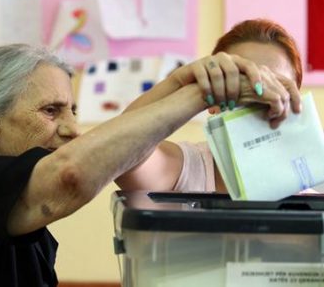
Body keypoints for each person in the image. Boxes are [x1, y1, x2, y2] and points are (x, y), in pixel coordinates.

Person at [0, 19, 301, 287]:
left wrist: (177, 82)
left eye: (74, 109)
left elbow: (110, 145)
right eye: (51, 110)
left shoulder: (28, 232)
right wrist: (199, 92)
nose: (74, 128)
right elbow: (73, 174)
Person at [116, 18, 303, 193]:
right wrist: (179, 82)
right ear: (212, 102)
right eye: (242, 84)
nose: (260, 100)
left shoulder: (315, 203)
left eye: (276, 87)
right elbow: (118, 155)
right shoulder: (188, 169)